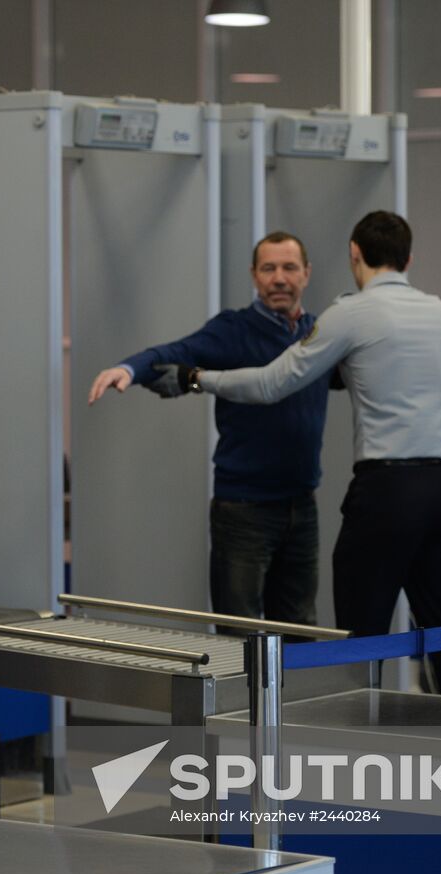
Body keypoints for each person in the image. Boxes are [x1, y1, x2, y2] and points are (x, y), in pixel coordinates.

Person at [158, 211, 441, 698]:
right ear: (409, 259)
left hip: (387, 495)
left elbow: (272, 382)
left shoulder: (351, 314)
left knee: (358, 639)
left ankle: (357, 755)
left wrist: (196, 377)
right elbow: (399, 371)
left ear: (354, 254)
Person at [89, 232, 326, 624]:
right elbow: (173, 353)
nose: (279, 278)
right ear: (254, 275)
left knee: (299, 628)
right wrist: (127, 369)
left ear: (307, 273)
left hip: (302, 508)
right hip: (244, 510)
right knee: (241, 633)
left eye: (289, 268)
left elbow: (366, 370)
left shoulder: (319, 335)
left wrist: (439, 386)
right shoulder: (234, 329)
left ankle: (294, 691)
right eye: (268, 269)